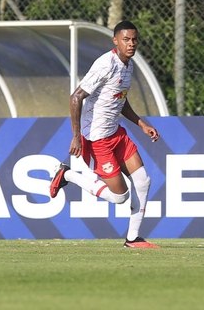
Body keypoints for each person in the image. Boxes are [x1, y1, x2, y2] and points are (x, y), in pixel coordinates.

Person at [50, 20, 160, 249]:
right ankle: (68, 175)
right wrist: (76, 136)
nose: (131, 44)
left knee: (143, 181)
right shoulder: (105, 64)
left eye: (134, 39)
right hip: (98, 138)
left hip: (116, 134)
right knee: (120, 196)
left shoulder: (128, 66)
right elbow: (76, 97)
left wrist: (141, 124)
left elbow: (120, 98)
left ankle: (133, 239)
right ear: (115, 41)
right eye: (126, 40)